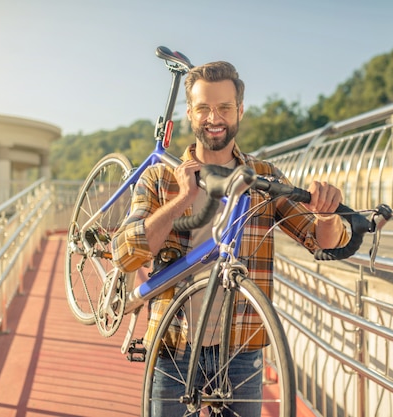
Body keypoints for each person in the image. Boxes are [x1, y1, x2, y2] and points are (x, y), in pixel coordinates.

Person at [112, 60, 349, 416]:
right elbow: (126, 253)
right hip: (173, 344)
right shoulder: (160, 178)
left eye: (224, 107)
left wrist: (327, 213)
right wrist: (181, 201)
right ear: (190, 113)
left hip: (240, 349)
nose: (214, 118)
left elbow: (322, 241)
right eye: (204, 108)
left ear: (239, 110)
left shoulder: (262, 177)